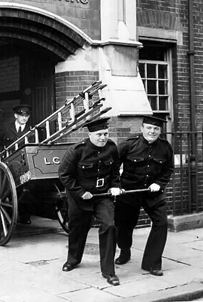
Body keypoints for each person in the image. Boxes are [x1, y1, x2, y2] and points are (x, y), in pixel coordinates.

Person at [58, 117, 122, 286]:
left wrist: (115, 185)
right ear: (90, 134)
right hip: (80, 197)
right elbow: (64, 174)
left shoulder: (112, 148)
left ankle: (109, 271)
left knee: (109, 226)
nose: (103, 138)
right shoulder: (77, 150)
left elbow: (115, 170)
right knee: (78, 229)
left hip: (102, 196)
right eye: (99, 134)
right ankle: (73, 259)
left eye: (106, 134)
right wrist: (80, 192)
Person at [114, 115, 174, 276]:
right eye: (148, 128)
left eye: (156, 129)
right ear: (142, 129)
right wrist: (116, 186)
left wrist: (159, 183)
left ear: (160, 131)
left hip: (153, 194)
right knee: (124, 226)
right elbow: (113, 167)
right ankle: (125, 251)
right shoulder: (128, 145)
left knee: (161, 223)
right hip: (129, 193)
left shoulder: (166, 147)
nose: (152, 131)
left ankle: (152, 263)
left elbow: (168, 170)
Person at [1, 104, 33, 224]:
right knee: (8, 189)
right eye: (21, 115)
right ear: (15, 115)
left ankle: (25, 216)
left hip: (26, 163)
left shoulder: (32, 130)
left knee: (26, 188)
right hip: (10, 164)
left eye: (27, 115)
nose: (24, 118)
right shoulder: (5, 128)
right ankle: (9, 216)